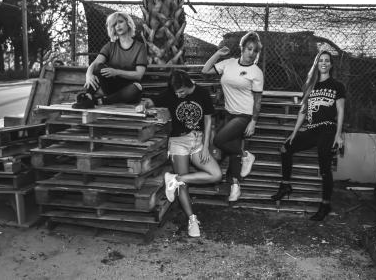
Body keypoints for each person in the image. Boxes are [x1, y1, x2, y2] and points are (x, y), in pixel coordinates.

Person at [144, 69, 222, 238]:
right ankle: (192, 219)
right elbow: (152, 100)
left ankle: (176, 179)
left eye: (181, 92)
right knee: (183, 187)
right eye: (176, 92)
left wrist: (207, 146)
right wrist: (143, 105)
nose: (178, 95)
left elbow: (209, 120)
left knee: (216, 175)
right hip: (178, 142)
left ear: (188, 85)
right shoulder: (172, 93)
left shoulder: (201, 93)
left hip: (198, 141)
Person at [271, 50, 345, 221]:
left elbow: (341, 111)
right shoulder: (310, 85)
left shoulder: (337, 86)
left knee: (324, 166)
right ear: (317, 64)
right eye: (321, 61)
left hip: (328, 129)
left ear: (331, 65)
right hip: (312, 129)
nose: (324, 63)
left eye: (327, 61)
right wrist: (294, 134)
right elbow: (303, 111)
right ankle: (286, 185)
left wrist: (338, 135)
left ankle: (325, 205)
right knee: (286, 148)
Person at [202, 31, 264, 202]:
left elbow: (258, 100)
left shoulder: (256, 72)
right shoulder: (228, 63)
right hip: (229, 113)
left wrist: (253, 121)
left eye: (255, 51)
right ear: (242, 48)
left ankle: (246, 155)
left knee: (219, 141)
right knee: (232, 151)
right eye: (249, 49)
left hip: (244, 115)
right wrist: (217, 54)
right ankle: (235, 187)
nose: (251, 53)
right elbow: (205, 70)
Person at [72, 11, 148, 109]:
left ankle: (100, 101)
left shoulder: (140, 47)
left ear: (128, 23)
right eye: (114, 24)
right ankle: (88, 98)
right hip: (111, 86)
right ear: (112, 28)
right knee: (98, 67)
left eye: (120, 22)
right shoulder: (110, 46)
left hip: (128, 88)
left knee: (137, 87)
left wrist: (116, 72)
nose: (118, 26)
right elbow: (96, 63)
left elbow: (139, 75)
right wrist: (88, 74)